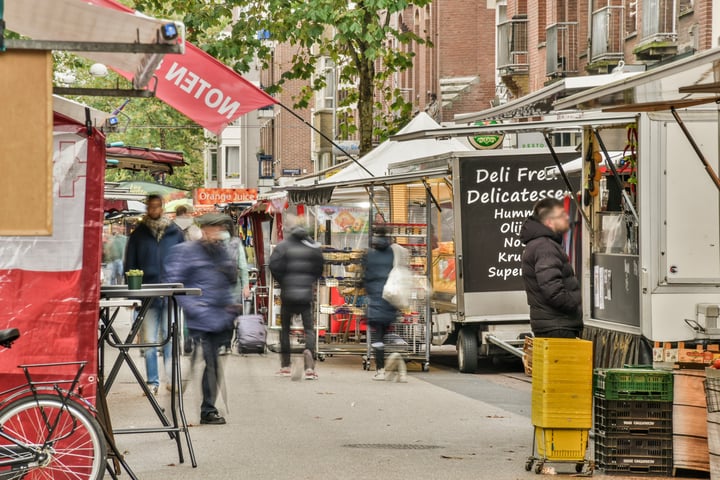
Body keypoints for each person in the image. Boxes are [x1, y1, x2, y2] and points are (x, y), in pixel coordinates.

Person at [164, 213, 240, 425]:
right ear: (204, 229)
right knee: (209, 361)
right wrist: (194, 307)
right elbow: (175, 285)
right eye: (213, 229)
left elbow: (229, 280)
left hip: (220, 316)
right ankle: (205, 409)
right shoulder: (186, 251)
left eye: (220, 229)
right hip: (200, 316)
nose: (217, 233)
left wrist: (231, 305)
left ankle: (197, 405)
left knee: (209, 362)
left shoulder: (222, 251)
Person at [125, 194, 184, 394]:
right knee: (149, 340)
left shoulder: (175, 232)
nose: (154, 209)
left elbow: (184, 260)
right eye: (151, 206)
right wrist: (133, 296)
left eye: (157, 206)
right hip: (147, 292)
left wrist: (181, 288)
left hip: (170, 292)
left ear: (162, 207)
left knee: (170, 337)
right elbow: (130, 264)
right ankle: (152, 381)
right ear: (147, 208)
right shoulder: (139, 234)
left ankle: (171, 379)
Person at [520, 198, 582, 338]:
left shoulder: (542, 244)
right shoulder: (545, 246)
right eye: (561, 215)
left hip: (553, 324)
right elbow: (552, 289)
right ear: (549, 222)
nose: (567, 218)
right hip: (558, 326)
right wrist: (573, 304)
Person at [269, 222, 324, 380]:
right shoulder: (312, 247)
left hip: (288, 294)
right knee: (309, 329)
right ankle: (309, 366)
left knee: (285, 330)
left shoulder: (283, 246)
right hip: (306, 294)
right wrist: (309, 281)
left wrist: (283, 281)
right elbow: (319, 267)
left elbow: (273, 266)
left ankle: (286, 365)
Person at [362, 226, 406, 381]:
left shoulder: (370, 255)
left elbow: (365, 279)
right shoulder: (393, 253)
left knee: (378, 338)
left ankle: (381, 369)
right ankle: (396, 363)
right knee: (388, 334)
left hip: (375, 300)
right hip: (391, 299)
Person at [219, 218, 251, 355]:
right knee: (231, 315)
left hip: (217, 284)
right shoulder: (236, 243)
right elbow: (243, 266)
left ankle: (220, 343)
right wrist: (246, 286)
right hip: (234, 284)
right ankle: (227, 345)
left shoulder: (214, 241)